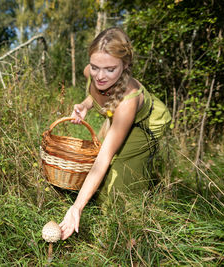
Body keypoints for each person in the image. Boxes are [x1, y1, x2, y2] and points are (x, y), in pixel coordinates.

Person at [59, 27, 171, 240]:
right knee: (100, 169)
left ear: (125, 65)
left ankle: (129, 230)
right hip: (117, 116)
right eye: (95, 67)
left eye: (110, 69)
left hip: (146, 123)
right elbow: (99, 95)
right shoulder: (91, 72)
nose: (100, 76)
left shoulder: (128, 100)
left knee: (119, 188)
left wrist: (77, 207)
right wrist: (84, 106)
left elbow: (104, 159)